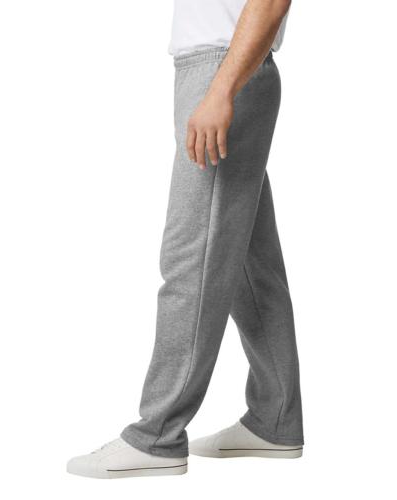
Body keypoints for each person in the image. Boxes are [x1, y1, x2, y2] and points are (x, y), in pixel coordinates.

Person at [67, 0, 304, 479]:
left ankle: (158, 436)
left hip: (226, 71)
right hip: (217, 70)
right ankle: (274, 419)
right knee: (250, 266)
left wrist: (221, 89)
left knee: (191, 259)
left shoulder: (224, 77)